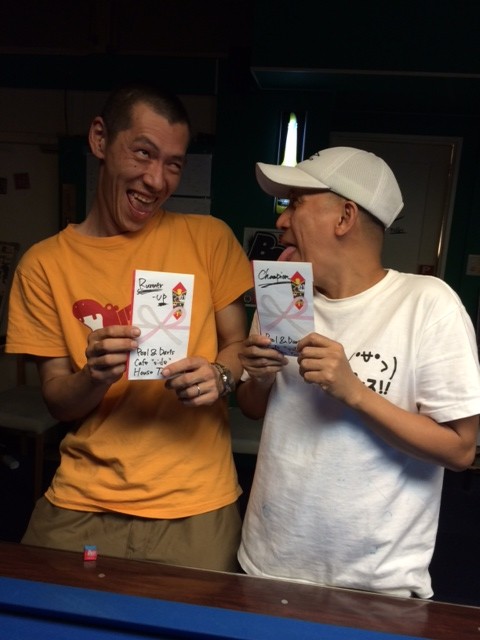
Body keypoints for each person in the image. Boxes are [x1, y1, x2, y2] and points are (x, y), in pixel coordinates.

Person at [6, 84, 253, 571]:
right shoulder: (43, 265)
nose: (156, 180)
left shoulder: (209, 238)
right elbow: (58, 400)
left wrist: (221, 375)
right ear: (100, 139)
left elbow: (236, 343)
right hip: (82, 499)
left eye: (174, 164)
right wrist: (93, 375)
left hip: (197, 504)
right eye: (143, 153)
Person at [236, 146, 480, 597]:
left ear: (345, 217)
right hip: (266, 564)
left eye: (296, 203)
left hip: (374, 586)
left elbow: (462, 449)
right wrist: (262, 377)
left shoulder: (429, 303)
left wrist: (354, 392)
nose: (282, 221)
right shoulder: (283, 298)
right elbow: (253, 407)